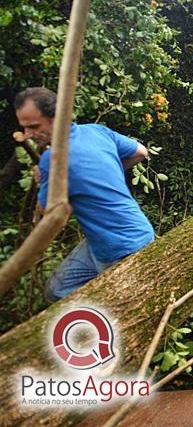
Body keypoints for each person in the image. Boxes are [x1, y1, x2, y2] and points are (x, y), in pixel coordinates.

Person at [14, 87, 155, 301]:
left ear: (57, 117)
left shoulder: (52, 159)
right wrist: (110, 171)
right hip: (115, 239)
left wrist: (41, 179)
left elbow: (48, 211)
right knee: (56, 290)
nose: (27, 135)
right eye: (24, 128)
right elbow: (141, 152)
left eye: (34, 126)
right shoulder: (97, 131)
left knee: (111, 305)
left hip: (122, 249)